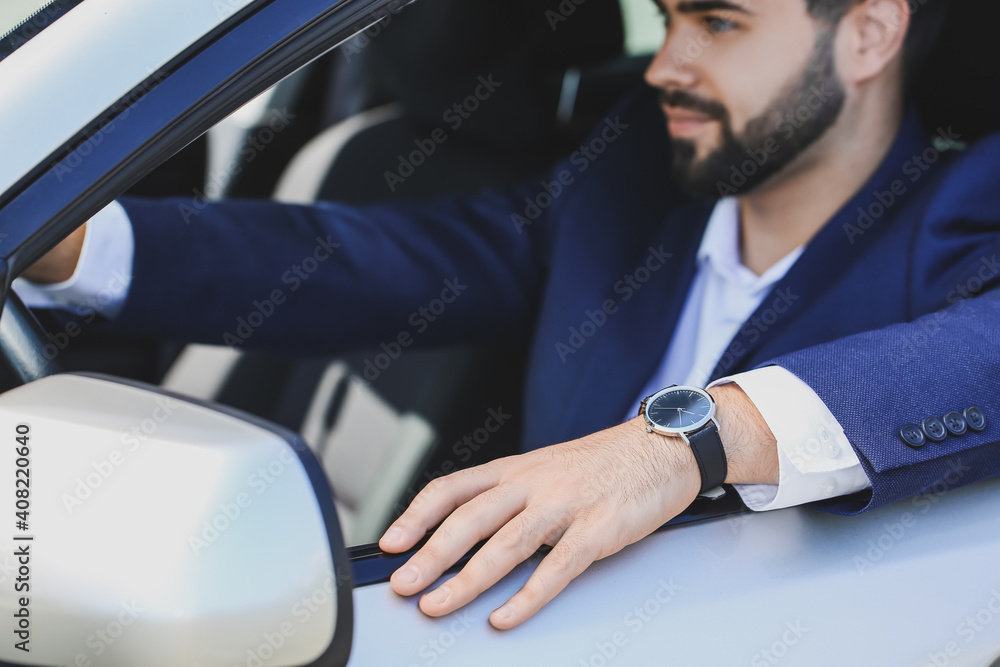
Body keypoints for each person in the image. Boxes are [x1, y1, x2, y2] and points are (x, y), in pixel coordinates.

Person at [19, 0, 1000, 631]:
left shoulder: (962, 213)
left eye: (718, 22)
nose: (665, 63)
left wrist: (681, 445)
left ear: (869, 32)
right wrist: (71, 242)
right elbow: (394, 263)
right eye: (664, 20)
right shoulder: (631, 182)